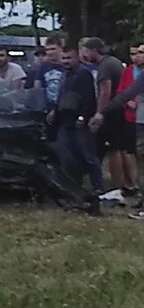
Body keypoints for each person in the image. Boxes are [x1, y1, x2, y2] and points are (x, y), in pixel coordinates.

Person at [90, 42, 144, 199]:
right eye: (136, 52)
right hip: (136, 121)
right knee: (135, 154)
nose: (137, 56)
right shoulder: (132, 73)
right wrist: (102, 112)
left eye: (141, 52)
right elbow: (124, 95)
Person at [80, 37, 134, 194]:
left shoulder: (104, 66)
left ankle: (117, 187)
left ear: (94, 50)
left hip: (111, 112)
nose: (85, 55)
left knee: (112, 150)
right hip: (120, 110)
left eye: (86, 51)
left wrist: (99, 113)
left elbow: (105, 91)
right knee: (120, 149)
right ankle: (127, 184)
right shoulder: (115, 62)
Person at [57, 44, 105, 194]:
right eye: (63, 58)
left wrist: (82, 116)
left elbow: (88, 97)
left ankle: (98, 186)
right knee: (72, 154)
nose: (66, 61)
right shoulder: (65, 74)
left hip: (80, 120)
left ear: (77, 57)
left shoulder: (83, 74)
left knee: (89, 155)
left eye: (69, 58)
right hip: (66, 119)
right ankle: (76, 184)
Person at [34, 38, 66, 141]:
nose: (50, 52)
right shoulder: (43, 66)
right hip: (47, 107)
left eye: (53, 49)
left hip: (64, 107)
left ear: (61, 48)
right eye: (47, 49)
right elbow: (37, 87)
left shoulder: (67, 65)